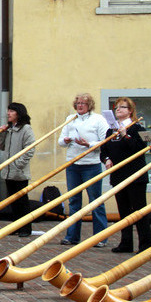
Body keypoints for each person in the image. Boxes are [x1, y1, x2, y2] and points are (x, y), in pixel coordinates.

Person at [100, 97, 151, 253]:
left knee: (139, 211)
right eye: (117, 108)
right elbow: (104, 151)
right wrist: (107, 160)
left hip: (136, 176)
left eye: (122, 107)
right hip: (118, 176)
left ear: (130, 111)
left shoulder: (139, 127)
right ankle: (126, 242)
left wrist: (126, 135)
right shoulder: (110, 130)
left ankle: (146, 244)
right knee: (123, 211)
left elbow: (144, 148)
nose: (118, 110)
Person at [58, 92, 109, 247]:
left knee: (95, 201)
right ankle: (72, 236)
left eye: (83, 103)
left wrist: (88, 145)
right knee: (74, 200)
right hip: (73, 164)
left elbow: (105, 141)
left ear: (89, 105)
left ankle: (100, 237)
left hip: (91, 164)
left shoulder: (98, 119)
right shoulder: (70, 119)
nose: (80, 106)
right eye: (78, 103)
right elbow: (61, 140)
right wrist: (66, 141)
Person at [0, 102, 35, 238]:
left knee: (22, 201)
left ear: (18, 113)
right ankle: (16, 225)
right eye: (8, 111)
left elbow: (30, 149)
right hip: (8, 172)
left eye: (11, 111)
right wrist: (1, 133)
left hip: (19, 172)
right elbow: (1, 147)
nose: (8, 113)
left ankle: (26, 228)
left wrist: (18, 164)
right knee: (12, 201)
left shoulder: (26, 129)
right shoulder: (9, 129)